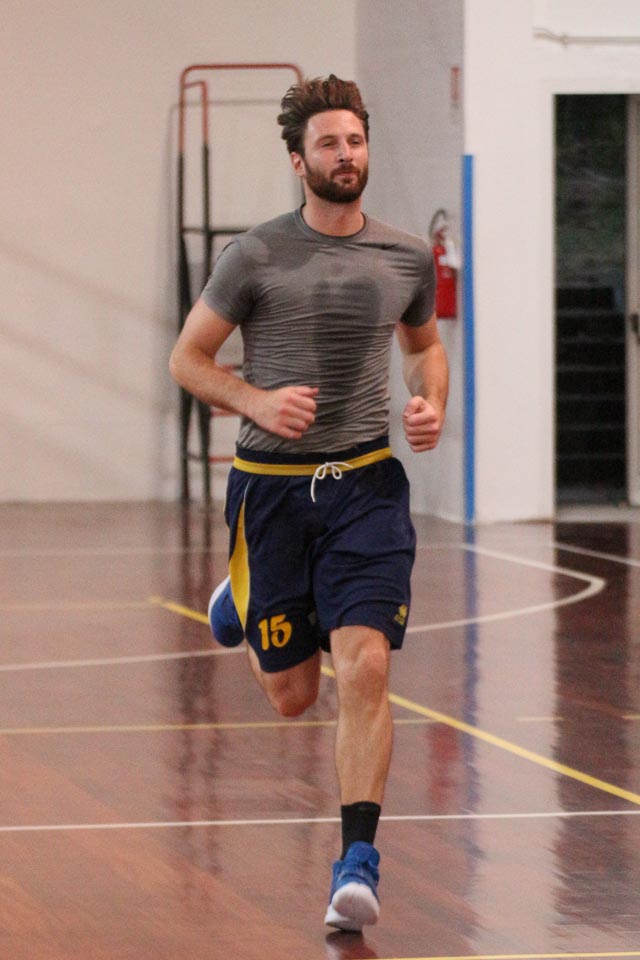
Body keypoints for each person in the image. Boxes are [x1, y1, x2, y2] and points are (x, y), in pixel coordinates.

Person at [169, 74, 448, 932]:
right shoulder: (254, 255)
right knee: (292, 696)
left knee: (365, 665)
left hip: (366, 485)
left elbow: (424, 347)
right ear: (299, 160)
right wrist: (254, 400)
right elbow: (188, 358)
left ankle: (356, 862)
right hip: (273, 491)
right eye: (328, 143)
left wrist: (430, 400)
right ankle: (240, 600)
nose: (345, 154)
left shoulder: (405, 257)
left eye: (354, 140)